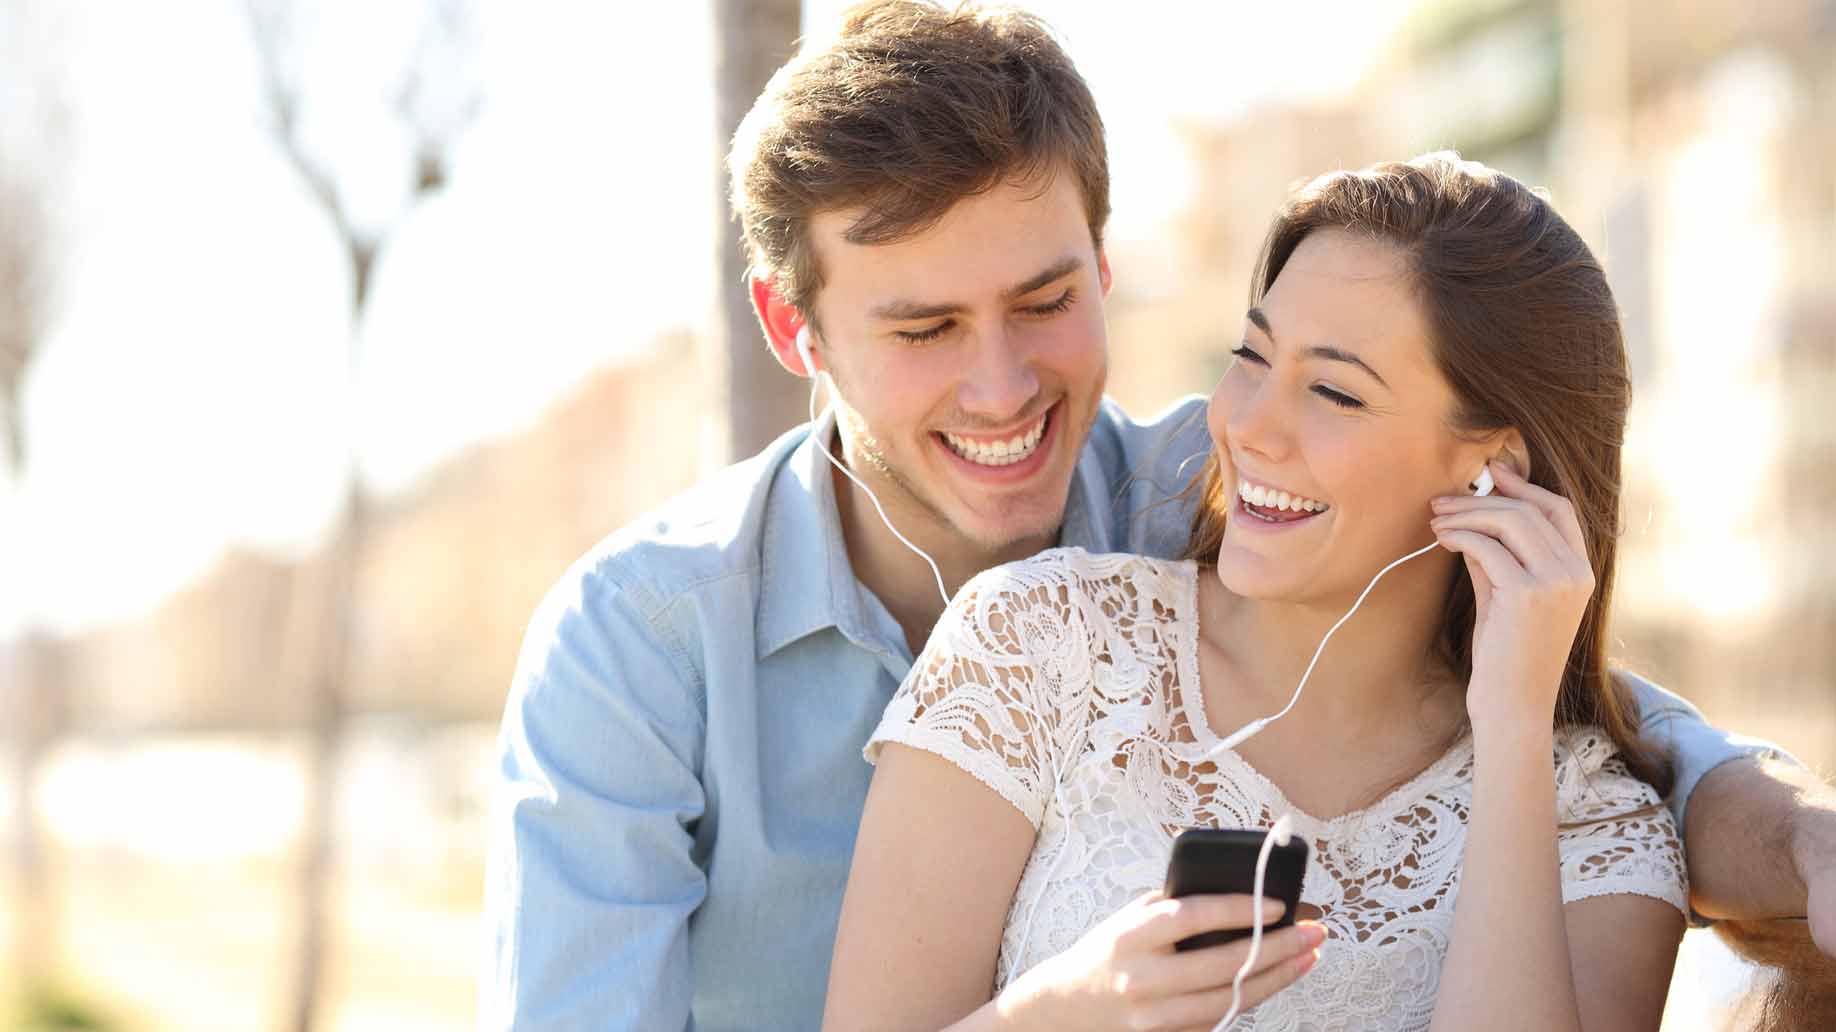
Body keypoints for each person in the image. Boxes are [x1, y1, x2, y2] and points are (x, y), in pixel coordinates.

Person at [476, 4, 1836, 1030]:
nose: (1005, 384)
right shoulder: (634, 649)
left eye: (1047, 300)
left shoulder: (1236, 481)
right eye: (926, 327)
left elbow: (1626, 731)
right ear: (793, 327)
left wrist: (1808, 846)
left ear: (1105, 262)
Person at [827, 152, 1694, 1030]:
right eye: (1252, 354)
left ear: (1493, 469)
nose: (1245, 425)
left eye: (1332, 391)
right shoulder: (1036, 645)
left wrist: (1512, 730)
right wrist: (1067, 1011)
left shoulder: (1596, 829)